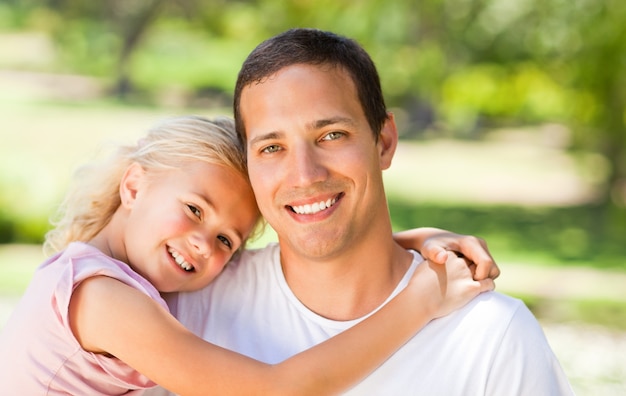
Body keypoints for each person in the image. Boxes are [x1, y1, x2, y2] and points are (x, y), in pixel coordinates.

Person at [150, 28, 574, 395]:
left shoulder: (491, 337)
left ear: (384, 141)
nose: (305, 175)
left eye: (332, 134)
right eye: (272, 147)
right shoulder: (190, 310)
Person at [0, 115, 496, 395]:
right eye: (195, 209)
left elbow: (308, 257)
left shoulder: (132, 271)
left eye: (226, 240)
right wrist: (421, 300)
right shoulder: (100, 297)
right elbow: (274, 391)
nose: (203, 242)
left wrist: (414, 241)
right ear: (134, 185)